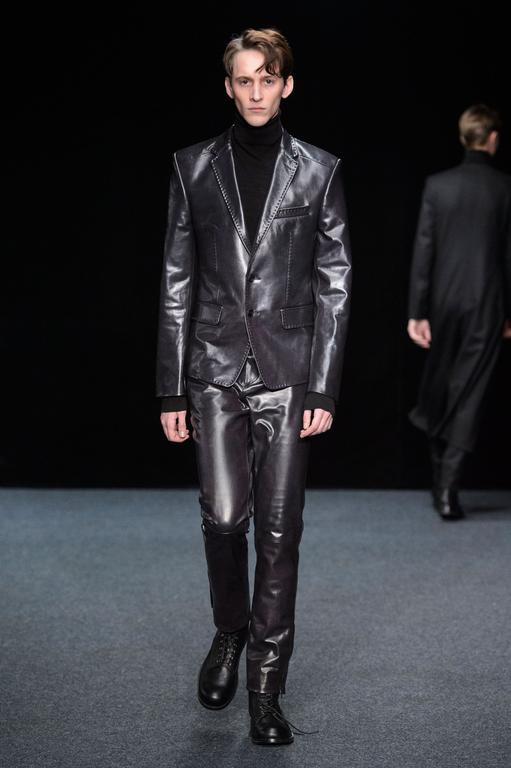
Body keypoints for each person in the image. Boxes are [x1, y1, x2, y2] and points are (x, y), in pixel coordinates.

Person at [156, 27, 351, 745]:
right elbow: (176, 280)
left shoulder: (319, 169)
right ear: (229, 87)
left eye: (268, 78)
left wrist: (323, 388)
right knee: (223, 519)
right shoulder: (192, 166)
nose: (257, 91)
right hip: (211, 369)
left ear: (286, 85)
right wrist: (170, 389)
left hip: (289, 373)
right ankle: (230, 629)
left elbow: (335, 284)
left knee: (278, 530)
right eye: (245, 79)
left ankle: (266, 688)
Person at [408, 104, 511, 521]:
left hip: (443, 303)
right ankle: (447, 489)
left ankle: (441, 480)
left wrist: (417, 312)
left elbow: (424, 251)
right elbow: (509, 256)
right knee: (469, 392)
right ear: (492, 138)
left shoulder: (438, 186)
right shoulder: (504, 187)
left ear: (464, 137)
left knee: (443, 386)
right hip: (487, 302)